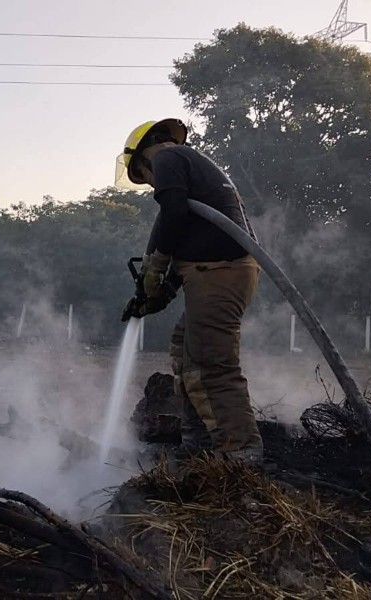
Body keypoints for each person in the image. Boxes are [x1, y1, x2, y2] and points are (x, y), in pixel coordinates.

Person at [116, 118, 263, 463]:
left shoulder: (168, 157)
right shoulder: (193, 166)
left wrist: (156, 267)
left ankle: (241, 452)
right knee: (186, 352)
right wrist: (159, 293)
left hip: (220, 272)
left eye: (145, 175)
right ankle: (198, 443)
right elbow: (188, 235)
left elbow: (173, 214)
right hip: (216, 270)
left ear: (144, 156)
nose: (151, 183)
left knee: (211, 363)